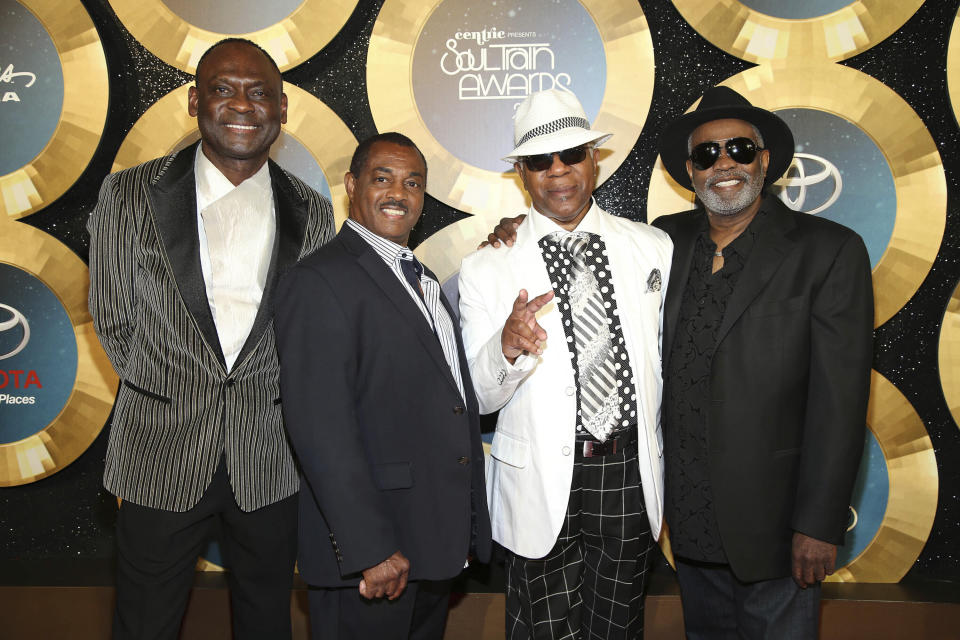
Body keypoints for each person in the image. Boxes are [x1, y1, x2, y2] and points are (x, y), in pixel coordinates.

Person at [87, 38, 334, 639]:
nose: (242, 105)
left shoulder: (312, 211)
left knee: (266, 622)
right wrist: (188, 392)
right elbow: (115, 321)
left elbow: (314, 335)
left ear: (282, 109)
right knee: (145, 624)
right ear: (196, 100)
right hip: (161, 449)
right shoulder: (129, 194)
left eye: (259, 93)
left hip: (270, 457)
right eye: (224, 88)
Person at [652, 86, 873, 638]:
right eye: (707, 154)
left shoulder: (829, 251)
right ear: (689, 169)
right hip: (690, 522)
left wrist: (819, 525)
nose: (724, 163)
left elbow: (840, 403)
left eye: (740, 149)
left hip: (778, 532)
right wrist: (511, 235)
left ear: (765, 160)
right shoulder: (663, 242)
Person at [458, 88, 673, 639]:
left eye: (571, 154)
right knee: (541, 630)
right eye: (539, 161)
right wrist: (505, 347)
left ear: (594, 158)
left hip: (628, 474)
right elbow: (478, 399)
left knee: (618, 629)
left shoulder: (654, 248)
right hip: (536, 480)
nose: (558, 171)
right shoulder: (486, 268)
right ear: (522, 175)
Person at [274, 132, 492, 640]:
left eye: (413, 182)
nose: (399, 192)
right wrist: (370, 548)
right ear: (352, 185)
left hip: (428, 546)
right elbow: (318, 427)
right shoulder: (319, 280)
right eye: (383, 178)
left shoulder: (424, 281)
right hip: (373, 559)